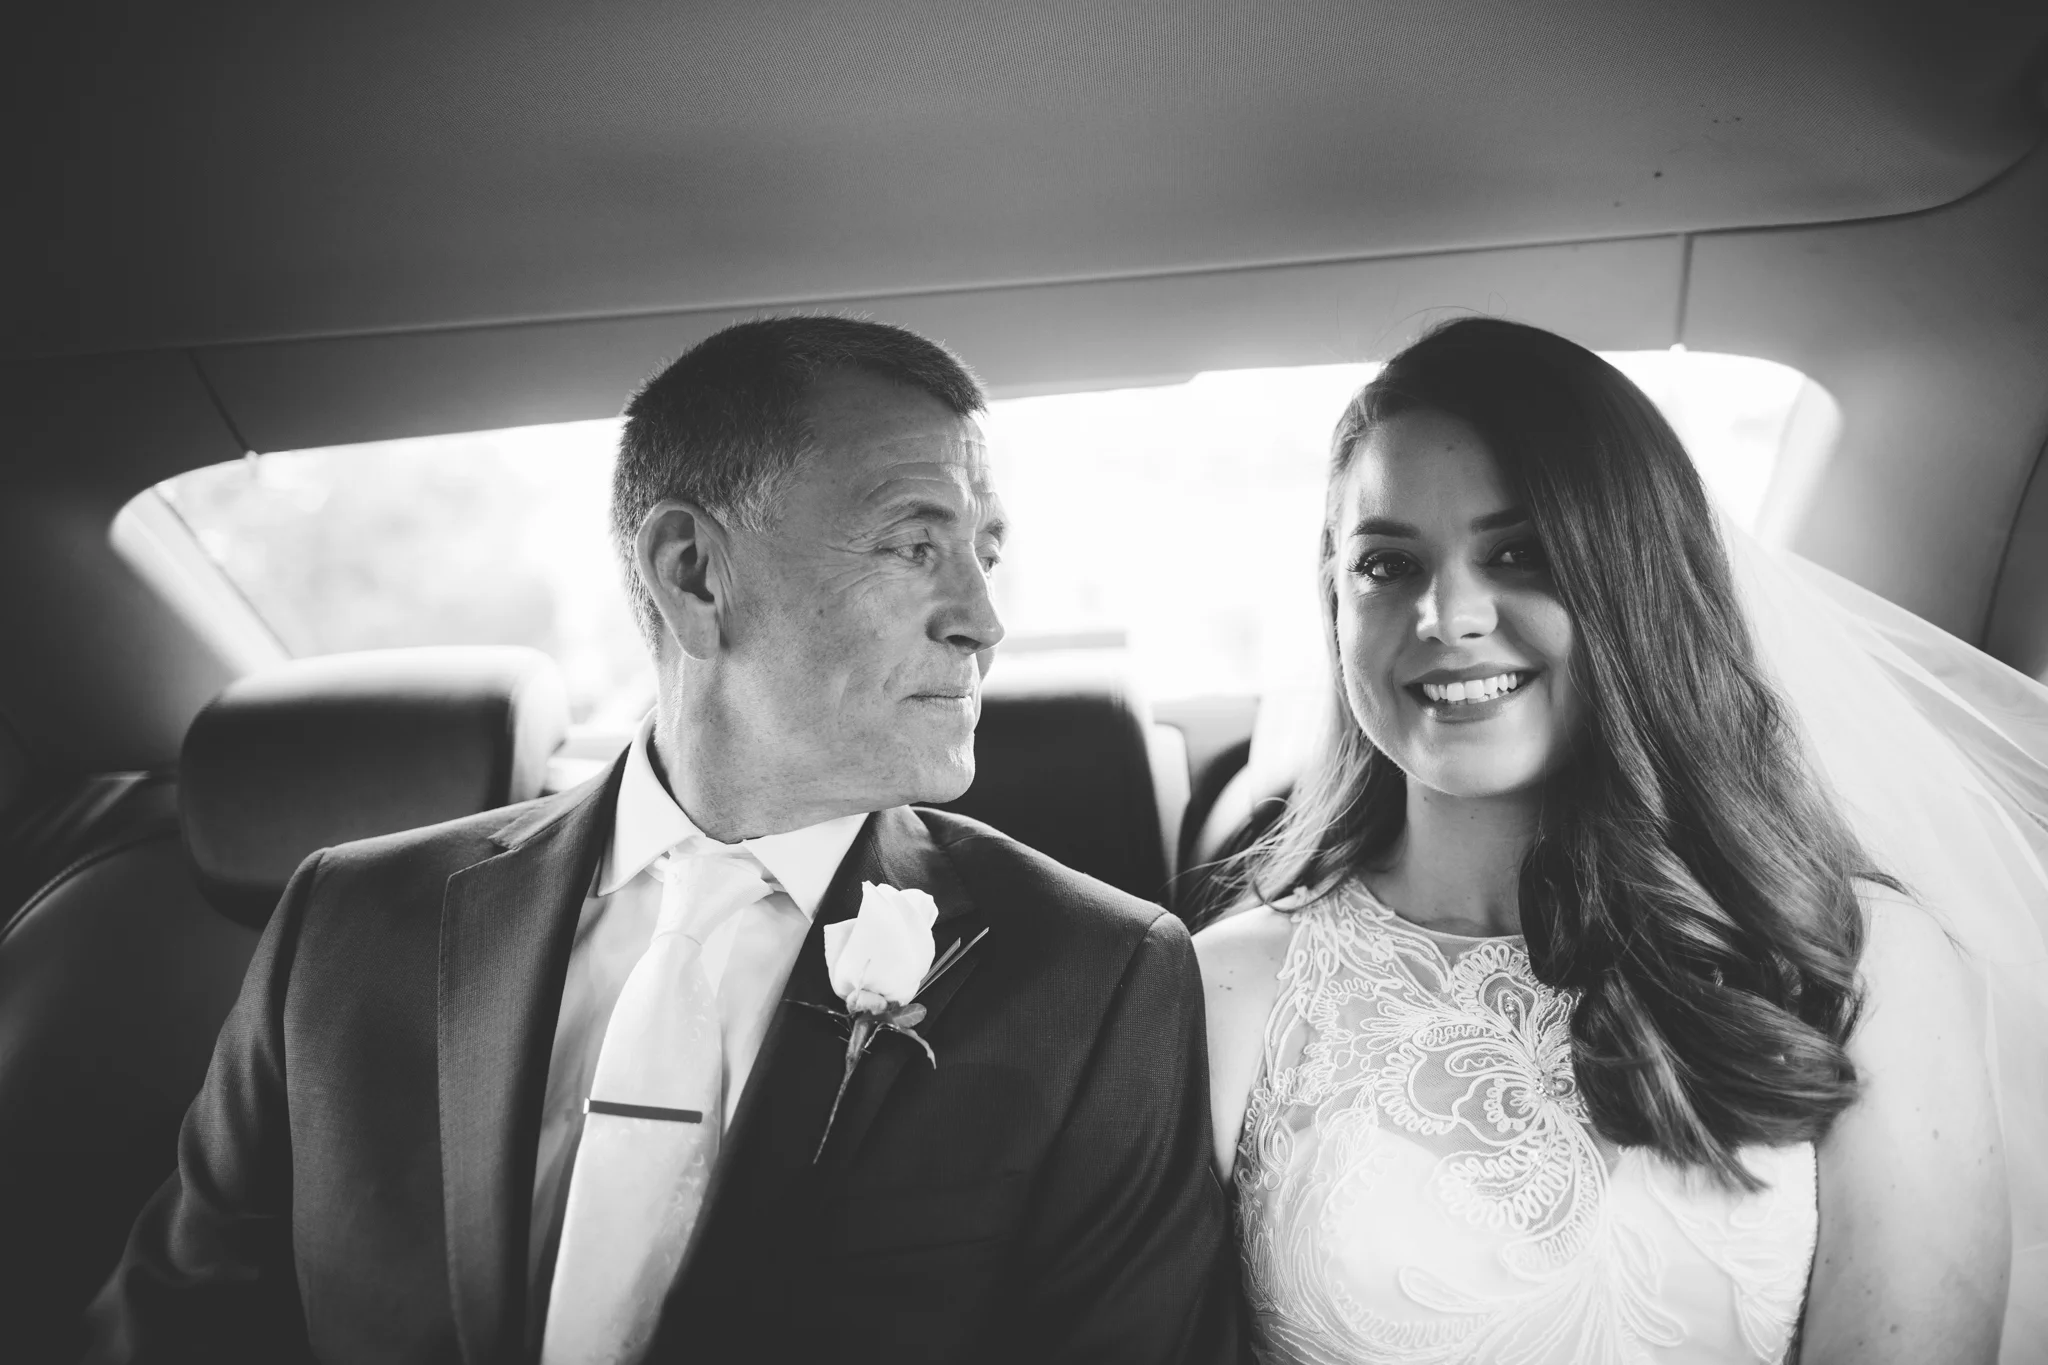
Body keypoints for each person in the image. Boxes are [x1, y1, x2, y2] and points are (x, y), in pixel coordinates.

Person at [85, 316, 1242, 1364]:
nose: (983, 621)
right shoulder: (347, 927)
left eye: (985, 551)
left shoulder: (1096, 981)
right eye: (912, 545)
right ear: (693, 573)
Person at [1196, 317, 2035, 1363]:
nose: (1446, 614)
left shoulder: (1859, 961)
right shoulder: (1229, 990)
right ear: (1333, 602)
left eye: (1518, 553)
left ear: (1633, 581)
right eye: (1386, 564)